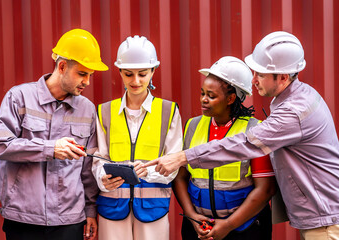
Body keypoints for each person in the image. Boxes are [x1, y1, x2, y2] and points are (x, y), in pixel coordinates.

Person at [146, 31, 339, 240]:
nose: (254, 80)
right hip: (321, 217)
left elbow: (246, 144)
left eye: (261, 75)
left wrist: (183, 157)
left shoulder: (293, 112)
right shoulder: (298, 97)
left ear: (283, 77)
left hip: (326, 223)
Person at [0, 29, 108, 240]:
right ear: (62, 66)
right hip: (24, 218)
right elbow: (1, 145)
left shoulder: (87, 109)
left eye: (90, 75)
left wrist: (90, 211)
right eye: (82, 74)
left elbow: (87, 168)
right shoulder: (19, 97)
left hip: (70, 220)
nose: (87, 82)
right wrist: (50, 148)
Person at [173, 56, 276, 240]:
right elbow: (180, 177)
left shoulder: (254, 130)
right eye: (202, 93)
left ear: (230, 98)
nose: (204, 99)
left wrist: (228, 225)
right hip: (198, 227)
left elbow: (265, 189)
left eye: (211, 96)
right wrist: (192, 216)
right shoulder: (192, 126)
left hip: (245, 229)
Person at [91, 35, 183, 240]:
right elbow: (99, 158)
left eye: (142, 74)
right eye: (128, 74)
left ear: (153, 71)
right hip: (112, 207)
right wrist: (102, 179)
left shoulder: (168, 111)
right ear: (120, 72)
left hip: (153, 210)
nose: (136, 81)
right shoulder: (104, 111)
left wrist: (146, 172)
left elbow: (174, 161)